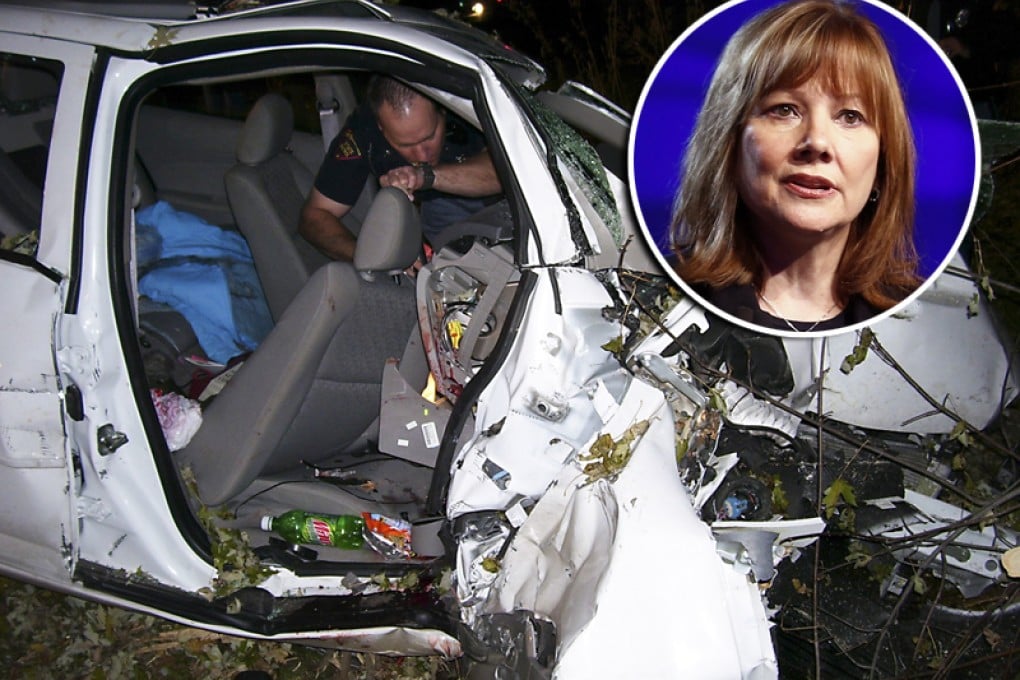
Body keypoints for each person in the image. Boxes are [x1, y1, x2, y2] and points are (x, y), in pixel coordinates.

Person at [671, 0, 921, 332]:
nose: (816, 142)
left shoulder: (929, 327)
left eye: (850, 116)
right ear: (728, 142)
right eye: (785, 110)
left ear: (883, 165)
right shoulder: (661, 302)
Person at [299, 75, 502, 262]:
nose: (422, 155)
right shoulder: (364, 132)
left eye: (429, 137)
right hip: (436, 230)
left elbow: (502, 174)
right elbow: (315, 216)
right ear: (381, 128)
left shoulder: (464, 106)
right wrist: (372, 258)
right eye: (405, 145)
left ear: (443, 112)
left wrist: (423, 176)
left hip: (498, 210)